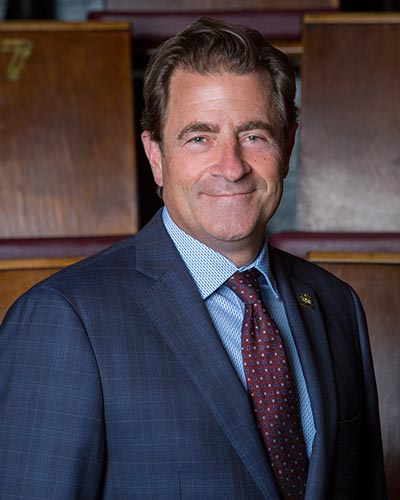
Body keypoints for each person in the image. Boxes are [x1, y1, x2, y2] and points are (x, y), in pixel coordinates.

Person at [0, 18, 387, 500]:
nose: (231, 166)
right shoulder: (64, 318)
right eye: (199, 137)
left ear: (287, 146)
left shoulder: (336, 305)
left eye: (254, 135)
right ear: (156, 155)